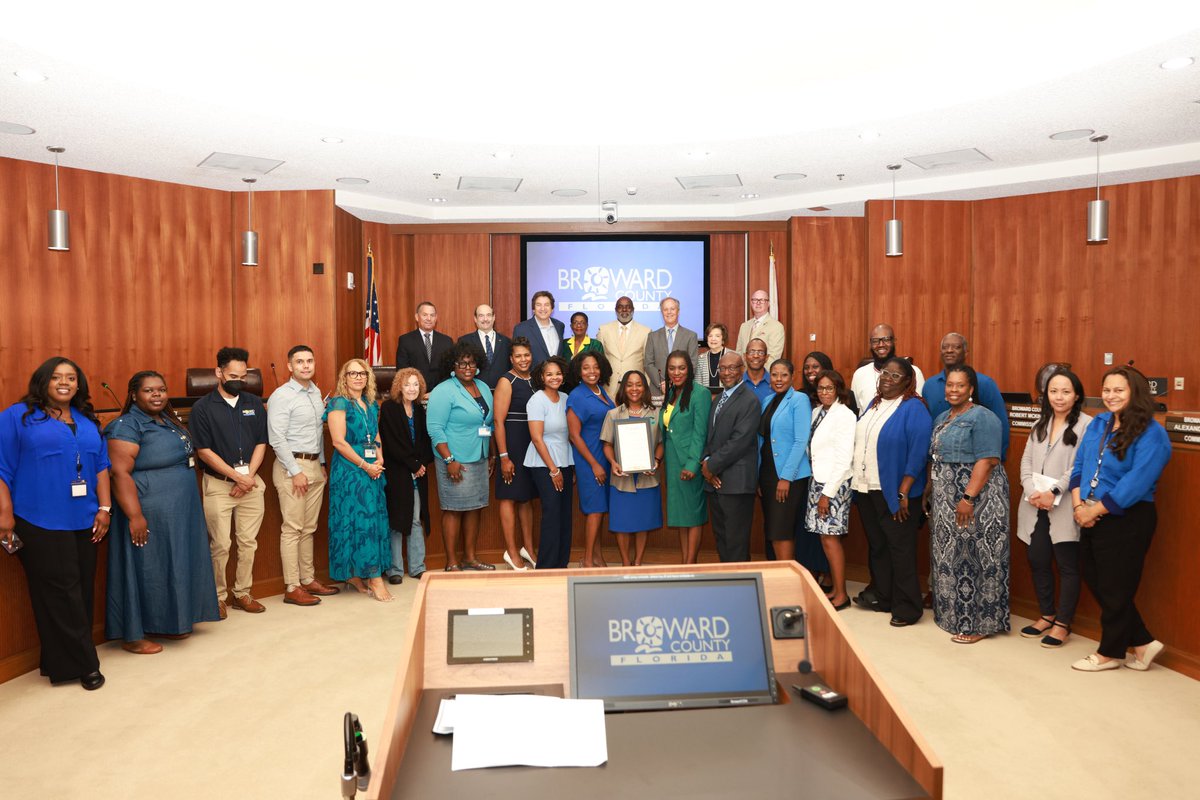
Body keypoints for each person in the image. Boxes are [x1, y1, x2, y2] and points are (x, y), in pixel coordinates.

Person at [0, 357, 111, 690]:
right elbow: (2, 469)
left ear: (79, 385)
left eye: (72, 377)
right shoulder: (16, 418)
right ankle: (86, 664)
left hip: (86, 519)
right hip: (40, 520)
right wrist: (4, 515)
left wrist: (104, 508)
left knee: (80, 589)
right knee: (62, 593)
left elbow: (101, 466)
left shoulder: (87, 420)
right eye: (57, 377)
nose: (65, 382)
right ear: (43, 381)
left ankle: (55, 661)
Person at [105, 371, 220, 655]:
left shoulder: (166, 419)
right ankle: (133, 634)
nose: (157, 395)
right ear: (134, 394)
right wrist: (135, 516)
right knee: (150, 567)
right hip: (150, 508)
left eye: (161, 389)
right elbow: (119, 473)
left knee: (175, 562)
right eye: (149, 391)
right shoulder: (126, 425)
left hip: (180, 509)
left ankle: (173, 621)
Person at [1069, 366, 1171, 672]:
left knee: (1115, 586)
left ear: (1135, 392)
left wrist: (1093, 511)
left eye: (1119, 390)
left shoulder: (1153, 433)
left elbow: (1135, 484)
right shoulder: (1098, 423)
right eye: (1107, 390)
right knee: (1098, 580)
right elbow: (1080, 466)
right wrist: (1078, 507)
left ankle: (1111, 653)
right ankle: (1142, 643)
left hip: (1127, 518)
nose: (1111, 396)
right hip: (1087, 512)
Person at [927, 365, 1011, 643]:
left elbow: (987, 460)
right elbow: (937, 459)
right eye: (949, 385)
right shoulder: (942, 416)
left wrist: (968, 498)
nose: (953, 390)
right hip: (945, 501)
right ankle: (951, 616)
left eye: (960, 385)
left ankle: (978, 624)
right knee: (950, 558)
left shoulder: (984, 418)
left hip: (977, 500)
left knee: (977, 558)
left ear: (971, 388)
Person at [850, 357, 931, 627]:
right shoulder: (873, 405)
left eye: (895, 376)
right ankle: (884, 597)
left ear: (908, 382)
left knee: (900, 549)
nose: (887, 378)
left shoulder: (913, 408)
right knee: (879, 547)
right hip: (867, 488)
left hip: (896, 493)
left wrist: (904, 490)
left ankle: (908, 608)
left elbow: (919, 454)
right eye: (885, 373)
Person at [189, 347, 269, 617]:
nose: (238, 380)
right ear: (218, 373)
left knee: (248, 542)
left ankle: (242, 593)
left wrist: (247, 478)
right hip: (220, 485)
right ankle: (217, 596)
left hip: (251, 482)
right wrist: (237, 477)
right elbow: (204, 451)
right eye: (233, 375)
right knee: (221, 544)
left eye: (243, 376)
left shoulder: (253, 403)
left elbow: (261, 442)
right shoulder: (202, 408)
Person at [1016, 368, 1091, 647]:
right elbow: (1025, 460)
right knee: (1037, 559)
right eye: (1053, 391)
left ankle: (1062, 623)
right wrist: (1031, 489)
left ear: (1077, 395)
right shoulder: (1040, 422)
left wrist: (1054, 490)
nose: (1059, 397)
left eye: (1066, 391)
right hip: (1035, 504)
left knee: (1067, 565)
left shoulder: (1087, 425)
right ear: (1046, 395)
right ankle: (1046, 614)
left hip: (1063, 505)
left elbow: (1080, 466)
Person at [267, 345, 339, 607]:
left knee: (308, 528)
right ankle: (292, 586)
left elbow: (318, 432)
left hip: (313, 466)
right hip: (292, 467)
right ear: (290, 366)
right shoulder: (281, 396)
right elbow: (277, 438)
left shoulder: (315, 391)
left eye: (310, 361)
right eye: (300, 362)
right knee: (293, 529)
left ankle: (308, 579)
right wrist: (296, 471)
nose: (306, 366)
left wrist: (321, 463)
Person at [325, 359, 392, 600]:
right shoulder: (339, 402)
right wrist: (365, 465)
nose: (358, 377)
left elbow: (375, 434)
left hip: (372, 468)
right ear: (345, 377)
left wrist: (379, 458)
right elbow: (338, 442)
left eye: (362, 373)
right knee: (355, 522)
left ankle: (358, 574)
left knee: (372, 520)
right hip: (350, 470)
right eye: (352, 373)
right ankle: (372, 578)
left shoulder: (371, 403)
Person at [426, 342, 496, 571]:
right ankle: (452, 562)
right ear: (452, 366)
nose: (467, 367)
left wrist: (491, 455)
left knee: (474, 507)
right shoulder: (444, 390)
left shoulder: (483, 387)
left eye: (471, 362)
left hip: (479, 457)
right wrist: (449, 460)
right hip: (454, 459)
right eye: (462, 363)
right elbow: (435, 429)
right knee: (454, 508)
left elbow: (488, 424)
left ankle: (470, 557)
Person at [701, 351, 762, 562]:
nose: (726, 373)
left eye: (732, 368)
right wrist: (706, 463)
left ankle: (741, 588)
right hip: (715, 481)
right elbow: (710, 437)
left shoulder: (750, 401)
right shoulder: (719, 398)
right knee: (722, 538)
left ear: (742, 371)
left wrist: (712, 466)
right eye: (722, 369)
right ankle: (727, 582)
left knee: (736, 541)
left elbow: (739, 442)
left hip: (736, 483)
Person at [805, 370, 856, 609]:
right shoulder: (817, 412)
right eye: (821, 388)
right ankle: (836, 589)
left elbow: (844, 459)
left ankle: (842, 594)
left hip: (834, 484)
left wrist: (827, 494)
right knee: (825, 538)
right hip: (818, 479)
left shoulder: (844, 415)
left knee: (831, 538)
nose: (825, 392)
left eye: (829, 388)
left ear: (838, 390)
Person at [602, 370, 663, 566]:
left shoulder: (656, 413)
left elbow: (662, 442)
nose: (634, 389)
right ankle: (626, 563)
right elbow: (607, 445)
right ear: (623, 388)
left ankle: (637, 562)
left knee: (643, 522)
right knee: (622, 523)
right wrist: (613, 463)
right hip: (622, 478)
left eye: (638, 384)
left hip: (648, 477)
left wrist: (656, 460)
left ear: (645, 388)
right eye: (630, 384)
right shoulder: (613, 414)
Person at [379, 368, 433, 584]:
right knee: (397, 520)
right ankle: (394, 569)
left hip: (418, 472)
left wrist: (420, 464)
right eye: (407, 384)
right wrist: (412, 464)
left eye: (416, 385)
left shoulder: (420, 409)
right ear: (399, 387)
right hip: (397, 472)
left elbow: (425, 440)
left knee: (416, 519)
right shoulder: (390, 408)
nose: (412, 389)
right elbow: (390, 442)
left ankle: (417, 566)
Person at [758, 359, 812, 562]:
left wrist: (786, 478)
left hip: (788, 476)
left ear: (792, 377)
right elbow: (762, 440)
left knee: (781, 531)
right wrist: (759, 477)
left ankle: (788, 581)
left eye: (784, 375)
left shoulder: (799, 400)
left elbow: (800, 441)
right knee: (772, 530)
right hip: (768, 475)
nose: (778, 379)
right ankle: (778, 577)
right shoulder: (768, 400)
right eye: (774, 374)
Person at [923, 332, 1009, 460]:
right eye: (945, 347)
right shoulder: (929, 385)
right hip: (939, 465)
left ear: (966, 353)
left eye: (956, 347)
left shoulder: (984, 383)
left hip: (976, 464)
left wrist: (993, 461)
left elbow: (1001, 426)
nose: (949, 350)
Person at [661, 351, 711, 564]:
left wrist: (692, 464)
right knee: (682, 517)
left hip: (689, 463)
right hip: (672, 463)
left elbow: (700, 433)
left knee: (692, 516)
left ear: (689, 369)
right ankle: (685, 562)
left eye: (681, 368)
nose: (676, 372)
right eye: (672, 368)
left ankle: (691, 565)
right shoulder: (671, 392)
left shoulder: (700, 393)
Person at [566, 351, 615, 567]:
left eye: (595, 367)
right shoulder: (577, 396)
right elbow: (574, 435)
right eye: (586, 367)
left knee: (600, 509)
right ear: (578, 370)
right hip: (590, 460)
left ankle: (598, 557)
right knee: (595, 509)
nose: (592, 371)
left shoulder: (601, 392)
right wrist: (594, 464)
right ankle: (587, 560)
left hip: (604, 458)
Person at [525, 356, 575, 569]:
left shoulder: (565, 398)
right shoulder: (537, 400)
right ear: (541, 377)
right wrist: (554, 470)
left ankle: (561, 565)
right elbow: (537, 438)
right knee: (552, 513)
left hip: (565, 459)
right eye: (549, 374)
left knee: (565, 514)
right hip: (543, 463)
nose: (554, 377)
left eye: (558, 373)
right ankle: (546, 567)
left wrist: (566, 468)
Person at [494, 338, 538, 570]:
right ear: (511, 359)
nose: (523, 359)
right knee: (509, 496)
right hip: (513, 445)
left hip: (532, 446)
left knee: (527, 498)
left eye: (526, 355)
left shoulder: (535, 380)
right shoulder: (506, 380)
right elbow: (498, 422)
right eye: (518, 356)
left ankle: (528, 549)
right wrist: (503, 456)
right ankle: (511, 551)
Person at [850, 324, 926, 413]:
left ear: (894, 341)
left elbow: (918, 409)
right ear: (870, 344)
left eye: (886, 339)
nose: (881, 344)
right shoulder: (859, 374)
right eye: (875, 341)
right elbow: (856, 410)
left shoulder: (913, 372)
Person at [644, 297, 699, 403]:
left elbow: (693, 364)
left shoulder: (691, 336)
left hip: (682, 391)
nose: (669, 312)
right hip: (658, 391)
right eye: (665, 309)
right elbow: (648, 364)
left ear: (678, 311)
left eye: (672, 309)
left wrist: (676, 383)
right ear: (661, 312)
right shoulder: (652, 336)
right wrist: (662, 383)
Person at [595, 296, 651, 396]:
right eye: (620, 307)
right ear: (616, 310)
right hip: (609, 388)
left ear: (633, 310)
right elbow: (599, 360)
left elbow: (648, 363)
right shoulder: (603, 330)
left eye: (628, 307)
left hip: (635, 388)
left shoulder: (646, 331)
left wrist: (646, 387)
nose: (624, 310)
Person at [395, 301, 454, 396]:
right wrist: (417, 391)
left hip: (441, 395)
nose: (429, 318)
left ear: (436, 318)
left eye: (432, 315)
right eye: (425, 315)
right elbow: (402, 371)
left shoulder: (447, 341)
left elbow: (451, 371)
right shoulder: (405, 340)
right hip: (414, 395)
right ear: (417, 317)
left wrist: (436, 392)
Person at [459, 303, 512, 389]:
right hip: (474, 392)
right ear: (475, 319)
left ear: (494, 317)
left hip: (502, 392)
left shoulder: (507, 342)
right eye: (481, 316)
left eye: (488, 315)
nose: (485, 319)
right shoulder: (464, 341)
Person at [512, 290, 566, 368]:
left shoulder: (559, 326)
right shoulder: (521, 329)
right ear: (533, 309)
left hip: (555, 378)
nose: (543, 308)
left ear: (552, 308)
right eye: (538, 305)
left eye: (546, 305)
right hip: (531, 377)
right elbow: (516, 358)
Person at [735, 289, 786, 363]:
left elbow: (773, 357)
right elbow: (738, 354)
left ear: (768, 303)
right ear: (751, 303)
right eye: (755, 300)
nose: (758, 303)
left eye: (762, 300)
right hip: (744, 373)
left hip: (764, 373)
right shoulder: (744, 326)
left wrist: (756, 373)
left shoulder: (776, 327)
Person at [696, 322, 729, 392]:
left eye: (717, 336)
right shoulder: (700, 359)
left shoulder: (732, 356)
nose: (713, 339)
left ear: (723, 339)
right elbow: (698, 385)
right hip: (706, 398)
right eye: (710, 336)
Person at [743, 339, 774, 404]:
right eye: (752, 352)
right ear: (745, 356)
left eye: (761, 352)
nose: (756, 356)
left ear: (766, 357)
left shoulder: (775, 383)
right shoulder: (737, 383)